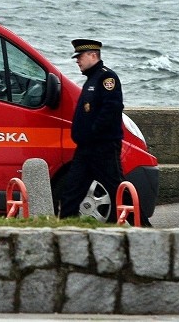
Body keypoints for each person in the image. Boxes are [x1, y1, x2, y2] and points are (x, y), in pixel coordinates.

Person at [59, 38, 124, 221]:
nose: (77, 61)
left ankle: (141, 226)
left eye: (80, 56)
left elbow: (111, 109)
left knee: (117, 191)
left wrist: (93, 133)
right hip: (85, 149)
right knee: (71, 191)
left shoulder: (106, 78)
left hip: (103, 148)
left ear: (93, 55)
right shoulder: (91, 79)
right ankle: (64, 229)